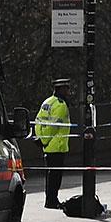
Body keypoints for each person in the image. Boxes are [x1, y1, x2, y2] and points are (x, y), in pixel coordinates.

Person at [36, 79, 74, 209]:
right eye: (67, 89)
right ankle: (52, 201)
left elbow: (38, 121)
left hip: (47, 146)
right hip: (57, 146)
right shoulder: (61, 105)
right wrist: (45, 140)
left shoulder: (46, 102)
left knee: (50, 176)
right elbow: (54, 126)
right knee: (55, 177)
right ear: (61, 89)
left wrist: (41, 139)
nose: (68, 92)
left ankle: (50, 200)